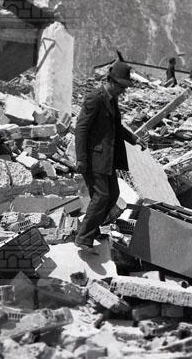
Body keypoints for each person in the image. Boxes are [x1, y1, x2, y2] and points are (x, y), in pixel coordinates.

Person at [74, 62, 146, 250]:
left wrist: (134, 139)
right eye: (122, 86)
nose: (123, 91)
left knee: (113, 194)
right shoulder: (95, 98)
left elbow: (116, 127)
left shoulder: (112, 99)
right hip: (93, 158)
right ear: (111, 82)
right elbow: (81, 129)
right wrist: (80, 158)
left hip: (107, 159)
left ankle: (92, 229)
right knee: (102, 196)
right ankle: (83, 237)